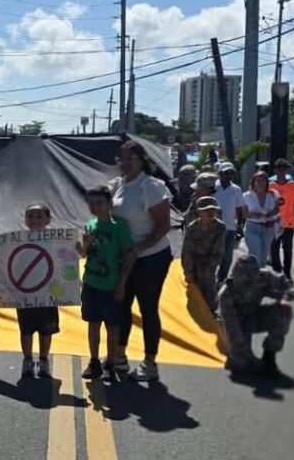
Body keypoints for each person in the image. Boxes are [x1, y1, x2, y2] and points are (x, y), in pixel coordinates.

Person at [108, 141, 172, 382]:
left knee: (147, 308)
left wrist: (138, 249)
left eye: (131, 159)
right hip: (125, 257)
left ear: (142, 160)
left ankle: (150, 362)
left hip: (151, 257)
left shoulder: (151, 187)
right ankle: (120, 356)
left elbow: (163, 226)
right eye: (122, 159)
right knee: (121, 306)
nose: (125, 163)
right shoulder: (118, 186)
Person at [78, 185, 136, 380]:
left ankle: (110, 362)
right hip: (91, 283)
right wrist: (84, 244)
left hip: (110, 285)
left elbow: (129, 256)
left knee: (112, 326)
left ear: (110, 204)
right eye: (92, 203)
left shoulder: (119, 227)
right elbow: (84, 255)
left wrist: (121, 284)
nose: (95, 207)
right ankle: (94, 361)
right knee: (92, 324)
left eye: (100, 203)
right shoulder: (90, 225)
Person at [218, 253, 294, 376]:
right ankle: (233, 355)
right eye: (243, 281)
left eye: (250, 280)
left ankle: (269, 356)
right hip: (235, 325)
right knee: (241, 366)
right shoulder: (226, 294)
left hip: (253, 316)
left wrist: (285, 297)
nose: (247, 284)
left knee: (283, 312)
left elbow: (286, 285)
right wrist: (248, 356)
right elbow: (232, 329)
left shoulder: (264, 276)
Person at [18, 202, 60, 378]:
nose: (34, 219)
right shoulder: (17, 239)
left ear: (48, 219)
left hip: (47, 293)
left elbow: (65, 260)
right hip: (25, 292)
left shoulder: (56, 239)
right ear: (25, 219)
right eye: (31, 216)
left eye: (39, 216)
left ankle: (44, 359)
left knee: (46, 330)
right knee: (26, 329)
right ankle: (27, 360)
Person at [182, 196, 226, 312]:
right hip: (195, 263)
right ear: (199, 212)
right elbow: (187, 251)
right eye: (206, 210)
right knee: (194, 295)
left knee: (209, 296)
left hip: (209, 264)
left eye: (213, 209)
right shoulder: (192, 227)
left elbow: (218, 251)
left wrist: (210, 270)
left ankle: (211, 315)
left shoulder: (220, 227)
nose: (210, 212)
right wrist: (188, 272)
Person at [214, 164, 248, 283]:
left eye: (231, 173)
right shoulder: (213, 187)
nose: (229, 175)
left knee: (227, 257)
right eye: (226, 172)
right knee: (213, 256)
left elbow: (239, 208)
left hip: (230, 228)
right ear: (220, 173)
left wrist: (239, 225)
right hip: (213, 228)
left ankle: (221, 280)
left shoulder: (236, 189)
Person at [269, 159, 294, 279]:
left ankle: (287, 272)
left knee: (288, 249)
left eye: (284, 168)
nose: (282, 171)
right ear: (275, 170)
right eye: (279, 168)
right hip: (275, 222)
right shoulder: (270, 186)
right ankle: (277, 271)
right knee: (274, 248)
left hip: (289, 222)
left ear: (287, 170)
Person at [243, 171, 280, 267]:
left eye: (263, 180)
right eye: (258, 180)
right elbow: (243, 214)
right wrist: (254, 214)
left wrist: (271, 213)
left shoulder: (273, 194)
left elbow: (277, 209)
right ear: (253, 182)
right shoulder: (246, 196)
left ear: (267, 182)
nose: (260, 183)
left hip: (268, 228)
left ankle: (259, 278)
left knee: (263, 258)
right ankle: (252, 278)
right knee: (255, 256)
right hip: (252, 227)